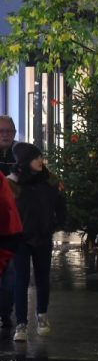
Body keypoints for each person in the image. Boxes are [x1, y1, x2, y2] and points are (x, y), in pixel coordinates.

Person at [8, 142, 66, 343]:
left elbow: (60, 203)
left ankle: (42, 316)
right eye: (36, 158)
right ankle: (21, 324)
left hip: (43, 236)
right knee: (20, 280)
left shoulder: (50, 180)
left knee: (43, 278)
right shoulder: (12, 183)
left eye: (40, 157)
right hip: (21, 239)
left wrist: (56, 224)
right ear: (25, 161)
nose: (41, 161)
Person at [0, 116, 18, 331]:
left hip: (12, 227)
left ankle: (5, 312)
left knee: (11, 273)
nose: (5, 134)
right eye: (1, 131)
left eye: (8, 131)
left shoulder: (20, 155)